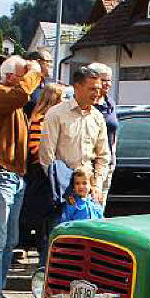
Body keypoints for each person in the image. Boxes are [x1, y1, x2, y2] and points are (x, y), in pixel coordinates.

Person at [0, 55, 43, 298]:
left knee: (9, 239)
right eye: (23, 73)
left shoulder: (12, 102)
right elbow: (21, 94)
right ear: (12, 76)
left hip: (12, 176)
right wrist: (34, 71)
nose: (30, 78)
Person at [39, 65, 110, 200]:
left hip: (89, 191)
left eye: (98, 89)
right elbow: (47, 155)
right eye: (92, 89)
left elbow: (103, 156)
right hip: (63, 191)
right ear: (77, 87)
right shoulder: (56, 114)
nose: (96, 93)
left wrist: (97, 185)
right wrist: (60, 185)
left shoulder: (98, 117)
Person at [24, 82, 65, 267]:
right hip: (42, 175)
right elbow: (36, 149)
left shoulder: (40, 117)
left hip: (43, 175)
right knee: (46, 221)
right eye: (61, 97)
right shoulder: (41, 119)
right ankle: (44, 261)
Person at [88, 62, 119, 207]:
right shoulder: (89, 104)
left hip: (108, 163)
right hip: (92, 164)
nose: (107, 84)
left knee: (100, 207)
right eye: (104, 80)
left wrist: (114, 155)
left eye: (109, 80)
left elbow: (114, 130)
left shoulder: (110, 103)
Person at [24, 49, 54, 118]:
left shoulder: (45, 82)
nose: (51, 65)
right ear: (37, 62)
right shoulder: (27, 81)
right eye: (48, 61)